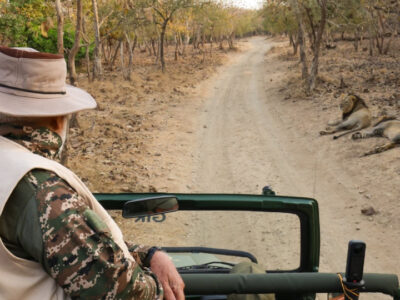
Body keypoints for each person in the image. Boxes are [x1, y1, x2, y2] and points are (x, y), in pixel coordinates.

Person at [0, 46, 185, 300]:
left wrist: (148, 255)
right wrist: (160, 287)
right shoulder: (39, 187)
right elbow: (115, 289)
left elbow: (69, 243)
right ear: (57, 120)